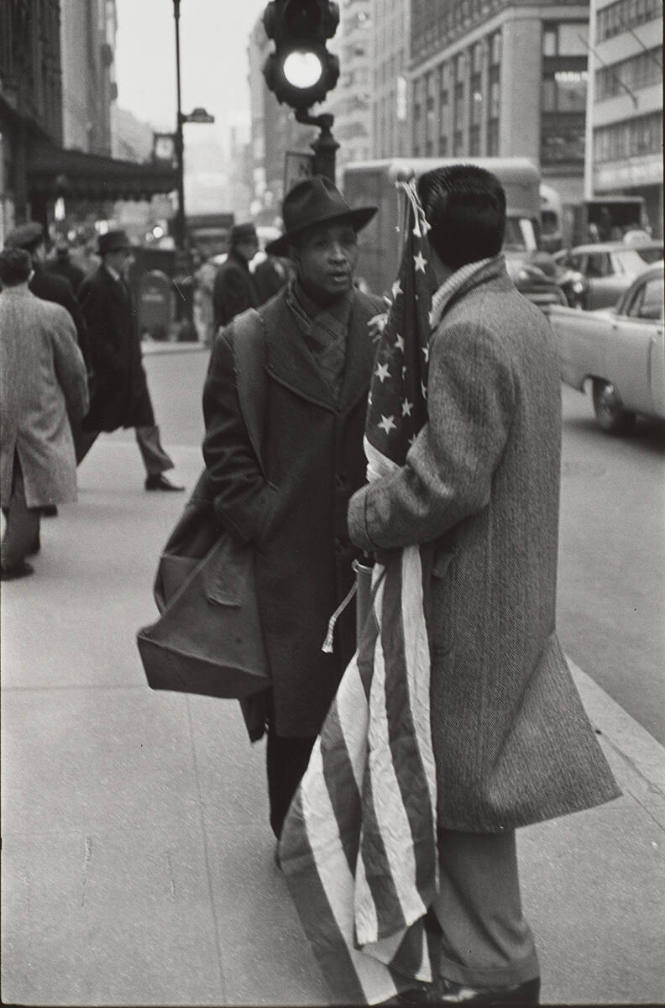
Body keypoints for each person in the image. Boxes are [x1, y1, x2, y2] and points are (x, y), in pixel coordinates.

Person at [347, 165, 620, 1005]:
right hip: (511, 596)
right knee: (474, 796)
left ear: (424, 237)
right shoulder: (520, 316)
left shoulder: (465, 332)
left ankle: (491, 976)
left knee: (463, 796)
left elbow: (447, 482)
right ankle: (485, 966)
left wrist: (363, 513)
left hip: (471, 605)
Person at [202, 175, 384, 839]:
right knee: (297, 719)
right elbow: (225, 461)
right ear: (290, 257)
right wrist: (267, 518)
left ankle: (361, 843)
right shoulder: (246, 340)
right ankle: (296, 844)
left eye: (347, 242)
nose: (339, 255)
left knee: (369, 712)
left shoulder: (385, 325)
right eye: (321, 245)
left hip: (370, 563)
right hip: (289, 574)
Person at [0, 247, 88, 580]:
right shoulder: (52, 314)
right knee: (31, 483)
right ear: (31, 274)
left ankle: (24, 539)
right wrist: (79, 405)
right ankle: (9, 557)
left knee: (9, 475)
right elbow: (73, 369)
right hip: (38, 409)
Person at [76, 229, 184, 492]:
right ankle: (61, 467)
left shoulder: (120, 281)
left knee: (145, 419)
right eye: (124, 254)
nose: (128, 259)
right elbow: (90, 332)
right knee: (92, 423)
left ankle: (155, 473)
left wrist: (133, 358)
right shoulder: (95, 284)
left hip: (130, 369)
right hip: (110, 372)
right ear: (110, 256)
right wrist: (113, 361)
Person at [212, 222, 260, 331]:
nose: (256, 249)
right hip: (238, 339)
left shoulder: (234, 268)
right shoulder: (233, 272)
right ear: (240, 245)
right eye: (254, 244)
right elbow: (239, 315)